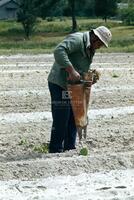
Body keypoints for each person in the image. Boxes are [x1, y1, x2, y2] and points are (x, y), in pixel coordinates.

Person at [47, 26, 112, 153]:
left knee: (74, 116)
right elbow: (59, 51)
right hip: (59, 83)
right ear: (95, 37)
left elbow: (79, 66)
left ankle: (69, 148)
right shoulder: (77, 40)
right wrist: (70, 70)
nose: (100, 47)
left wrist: (88, 78)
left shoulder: (90, 48)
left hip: (73, 86)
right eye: (100, 43)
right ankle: (55, 149)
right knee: (62, 117)